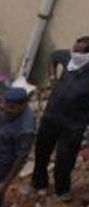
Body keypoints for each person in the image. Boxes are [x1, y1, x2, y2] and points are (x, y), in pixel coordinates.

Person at [34, 35, 89, 197]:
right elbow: (54, 56)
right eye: (74, 50)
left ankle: (62, 190)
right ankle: (38, 182)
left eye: (79, 52)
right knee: (41, 153)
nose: (74, 54)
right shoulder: (67, 58)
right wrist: (52, 77)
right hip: (51, 117)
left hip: (73, 125)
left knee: (64, 161)